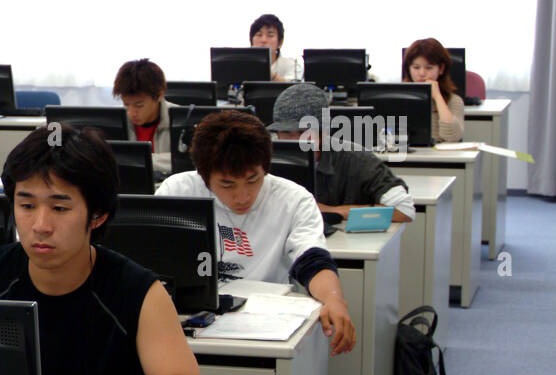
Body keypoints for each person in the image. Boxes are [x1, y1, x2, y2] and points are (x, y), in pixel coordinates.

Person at [0, 124, 204, 375]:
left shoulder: (139, 292)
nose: (40, 224)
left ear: (97, 215)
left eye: (60, 209)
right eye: (27, 205)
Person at [157, 110, 355, 355]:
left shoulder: (294, 199)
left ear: (265, 169)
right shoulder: (178, 191)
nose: (242, 197)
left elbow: (312, 260)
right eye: (227, 184)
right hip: (190, 324)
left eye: (253, 180)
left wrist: (333, 299)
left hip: (267, 327)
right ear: (204, 175)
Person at [269, 83, 414, 223]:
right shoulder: (266, 159)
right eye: (286, 132)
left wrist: (330, 211)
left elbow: (404, 210)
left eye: (303, 132)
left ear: (324, 132)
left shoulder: (357, 160)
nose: (296, 140)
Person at [113, 58, 174, 177]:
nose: (131, 113)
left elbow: (187, 162)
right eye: (126, 104)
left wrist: (136, 161)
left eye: (139, 105)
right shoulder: (117, 119)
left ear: (159, 95)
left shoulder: (180, 119)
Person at [402, 38, 464, 143]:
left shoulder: (454, 101)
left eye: (429, 68)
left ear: (441, 69)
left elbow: (453, 137)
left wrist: (438, 97)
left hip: (438, 158)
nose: (422, 73)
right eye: (416, 67)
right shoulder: (400, 97)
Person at [250, 14, 299, 82]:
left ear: (280, 43)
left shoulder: (291, 64)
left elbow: (292, 87)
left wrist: (266, 71)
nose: (263, 40)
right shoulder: (243, 64)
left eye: (270, 35)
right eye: (259, 35)